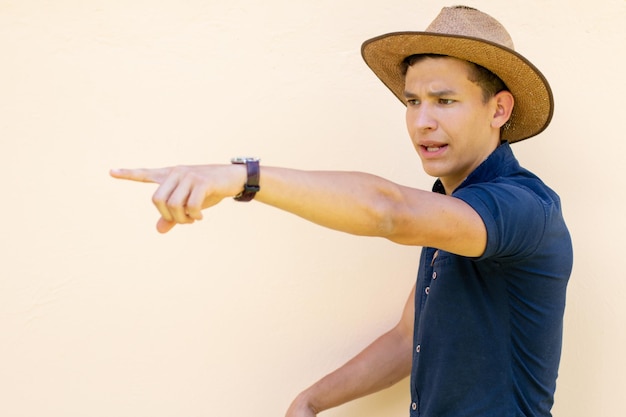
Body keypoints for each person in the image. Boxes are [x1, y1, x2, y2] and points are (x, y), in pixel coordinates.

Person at [111, 6, 572, 417]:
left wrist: (242, 178)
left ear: (499, 109)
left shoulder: (523, 207)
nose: (422, 121)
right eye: (412, 101)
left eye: (445, 100)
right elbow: (407, 338)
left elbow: (389, 212)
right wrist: (311, 401)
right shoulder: (452, 212)